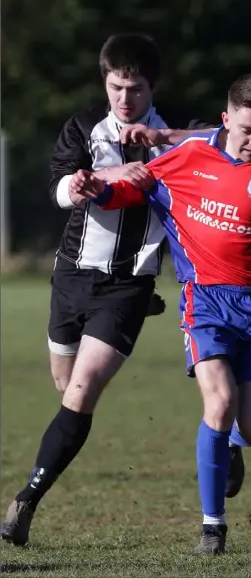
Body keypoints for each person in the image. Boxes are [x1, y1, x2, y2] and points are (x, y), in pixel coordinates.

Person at [70, 73, 251, 555]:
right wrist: (99, 191)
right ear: (226, 120)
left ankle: (233, 446)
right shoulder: (189, 154)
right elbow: (137, 190)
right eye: (247, 128)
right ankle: (212, 527)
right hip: (205, 301)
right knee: (218, 403)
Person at [0, 32, 213, 546]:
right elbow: (57, 187)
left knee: (81, 391)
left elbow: (224, 137)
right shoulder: (81, 127)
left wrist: (164, 143)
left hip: (128, 286)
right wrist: (88, 180)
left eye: (135, 88)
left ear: (152, 88)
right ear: (105, 82)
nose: (125, 98)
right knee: (65, 388)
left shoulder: (173, 139)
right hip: (71, 278)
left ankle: (23, 503)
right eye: (117, 87)